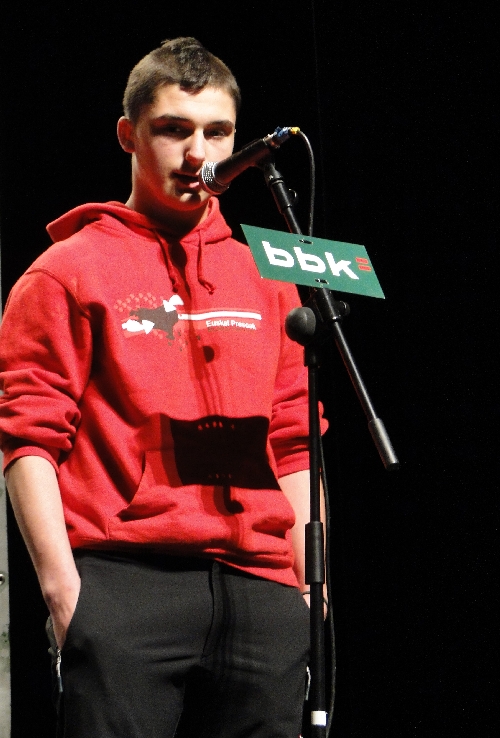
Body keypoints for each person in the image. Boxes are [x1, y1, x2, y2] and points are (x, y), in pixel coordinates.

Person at [0, 37, 327, 738]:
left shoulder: (268, 276)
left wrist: (311, 590)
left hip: (262, 590)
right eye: (174, 129)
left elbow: (294, 438)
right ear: (129, 135)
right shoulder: (66, 270)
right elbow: (27, 436)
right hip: (125, 584)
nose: (197, 154)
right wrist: (65, 595)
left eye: (217, 132)